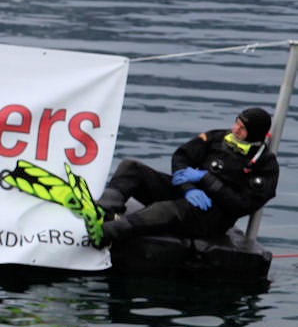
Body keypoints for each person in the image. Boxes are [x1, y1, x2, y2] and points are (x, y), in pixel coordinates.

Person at [91, 106, 279, 248]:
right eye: (237, 122)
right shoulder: (217, 137)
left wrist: (206, 179)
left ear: (254, 134)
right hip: (188, 192)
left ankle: (105, 233)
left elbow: (243, 205)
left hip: (212, 215)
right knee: (131, 168)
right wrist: (188, 188)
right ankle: (103, 211)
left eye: (243, 128)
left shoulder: (265, 166)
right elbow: (182, 157)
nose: (236, 129)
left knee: (165, 210)